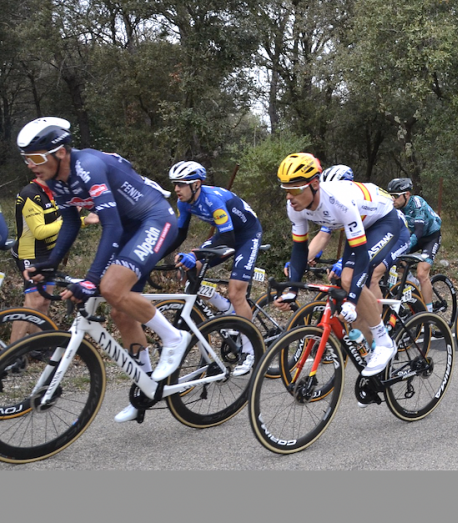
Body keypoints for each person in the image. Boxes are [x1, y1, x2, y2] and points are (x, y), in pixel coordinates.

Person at [17, 117, 186, 424]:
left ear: (61, 153)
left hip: (153, 220)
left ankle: (174, 339)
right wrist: (51, 262)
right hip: (128, 229)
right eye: (27, 159)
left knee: (110, 288)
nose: (31, 165)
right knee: (121, 312)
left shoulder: (88, 167)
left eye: (37, 158)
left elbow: (111, 225)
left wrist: (92, 281)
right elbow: (70, 222)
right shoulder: (56, 180)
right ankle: (147, 385)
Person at [276, 153, 409, 377]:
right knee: (346, 280)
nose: (290, 196)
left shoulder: (339, 203)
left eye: (296, 189)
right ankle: (371, 348)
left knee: (350, 279)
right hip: (362, 224)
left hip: (384, 220)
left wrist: (353, 300)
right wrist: (292, 290)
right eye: (286, 190)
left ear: (315, 184)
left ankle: (383, 341)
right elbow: (300, 249)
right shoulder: (296, 205)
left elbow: (362, 257)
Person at [161, 160, 263, 374]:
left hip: (246, 236)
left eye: (181, 184)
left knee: (237, 293)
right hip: (226, 234)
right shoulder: (184, 202)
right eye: (175, 184)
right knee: (192, 269)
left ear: (196, 184)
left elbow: (228, 236)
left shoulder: (213, 200)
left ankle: (251, 350)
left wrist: (193, 254)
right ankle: (225, 309)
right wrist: (156, 256)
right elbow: (180, 234)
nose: (176, 189)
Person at [10, 177, 98, 344]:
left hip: (49, 254)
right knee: (32, 303)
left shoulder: (55, 192)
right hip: (30, 253)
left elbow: (57, 222)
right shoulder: (31, 194)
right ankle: (10, 354)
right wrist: (81, 220)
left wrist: (78, 217)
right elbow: (40, 231)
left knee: (44, 302)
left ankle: (38, 347)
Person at [387, 177, 442, 313]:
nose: (392, 199)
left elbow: (418, 231)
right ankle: (414, 284)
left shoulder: (417, 203)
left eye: (395, 196)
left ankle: (429, 315)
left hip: (430, 237)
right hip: (413, 237)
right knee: (396, 261)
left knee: (422, 273)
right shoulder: (394, 207)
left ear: (407, 194)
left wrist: (404, 247)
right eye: (390, 196)